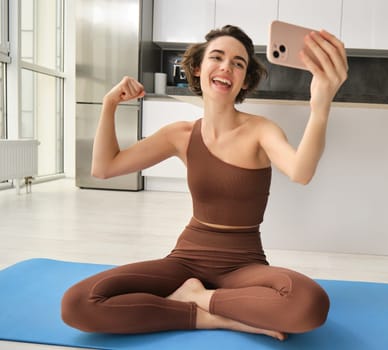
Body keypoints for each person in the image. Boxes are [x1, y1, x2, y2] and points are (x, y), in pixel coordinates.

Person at [61, 24, 348, 341]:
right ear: (198, 68)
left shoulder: (260, 130)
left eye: (238, 63)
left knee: (309, 304)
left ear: (244, 80)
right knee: (77, 303)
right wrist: (109, 104)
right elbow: (105, 167)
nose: (227, 67)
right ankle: (212, 317)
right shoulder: (180, 135)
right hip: (185, 261)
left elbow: (301, 172)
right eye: (217, 57)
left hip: (244, 266)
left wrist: (320, 105)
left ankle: (197, 299)